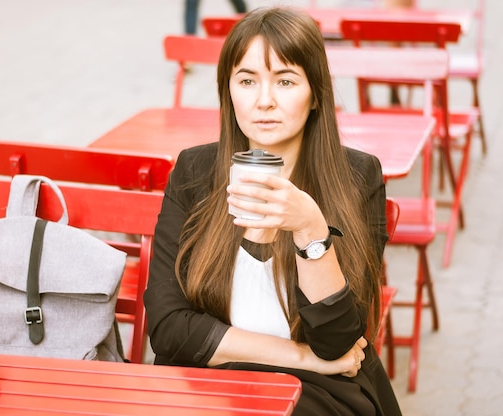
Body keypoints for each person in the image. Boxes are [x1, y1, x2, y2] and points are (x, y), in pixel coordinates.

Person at [144, 7, 401, 415]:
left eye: (285, 80)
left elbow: (337, 341)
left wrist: (310, 229)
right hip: (206, 385)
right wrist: (303, 356)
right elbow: (169, 331)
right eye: (247, 81)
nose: (264, 101)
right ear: (228, 90)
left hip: (314, 393)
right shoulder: (194, 171)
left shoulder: (356, 176)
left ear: (315, 93)